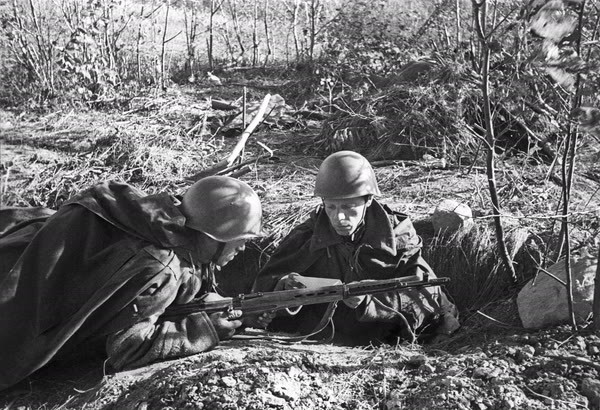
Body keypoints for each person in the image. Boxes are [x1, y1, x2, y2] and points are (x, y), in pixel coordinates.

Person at [0, 176, 263, 391]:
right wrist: (204, 328)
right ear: (213, 235)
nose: (242, 248)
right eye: (240, 239)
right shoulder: (162, 269)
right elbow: (126, 349)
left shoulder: (160, 220)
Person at [251, 150, 460, 345]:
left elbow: (424, 293)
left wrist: (367, 302)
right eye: (331, 207)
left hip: (382, 334)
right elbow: (262, 287)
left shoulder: (397, 236)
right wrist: (284, 287)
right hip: (324, 333)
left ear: (368, 201)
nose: (339, 217)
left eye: (349, 207)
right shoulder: (309, 234)